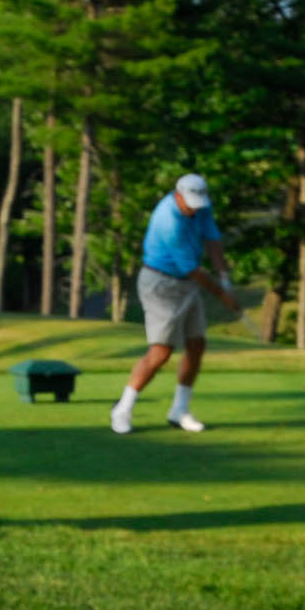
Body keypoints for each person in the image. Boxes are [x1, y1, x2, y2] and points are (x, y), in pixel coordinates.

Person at [110, 172, 240, 434]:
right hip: (160, 284)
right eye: (189, 203)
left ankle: (179, 409)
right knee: (161, 352)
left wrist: (225, 277)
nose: (194, 209)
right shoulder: (168, 220)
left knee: (196, 344)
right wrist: (221, 295)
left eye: (198, 203)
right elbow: (192, 268)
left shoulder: (201, 205)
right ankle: (122, 409)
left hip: (186, 283)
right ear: (177, 195)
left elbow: (212, 240)